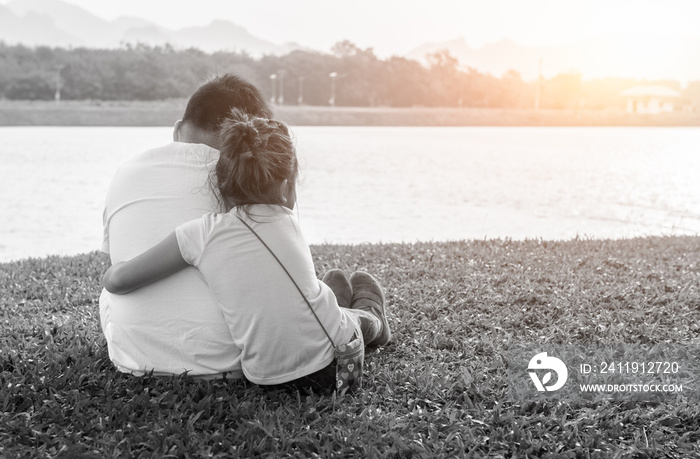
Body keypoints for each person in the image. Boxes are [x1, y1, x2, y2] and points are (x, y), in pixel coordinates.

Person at [103, 110, 391, 391]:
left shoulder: (200, 233)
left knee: (329, 288)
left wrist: (113, 268)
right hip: (336, 368)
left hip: (266, 377)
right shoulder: (287, 221)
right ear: (286, 190)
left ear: (221, 188)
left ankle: (340, 304)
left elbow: (118, 281)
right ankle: (374, 320)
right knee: (353, 319)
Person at [100, 74, 273, 378]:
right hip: (235, 360)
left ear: (179, 129)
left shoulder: (126, 172)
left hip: (135, 359)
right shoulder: (247, 180)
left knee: (107, 297)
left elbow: (114, 269)